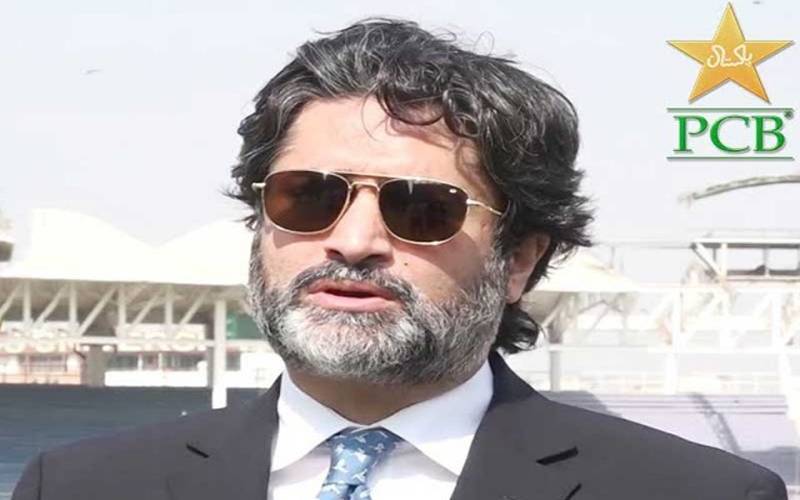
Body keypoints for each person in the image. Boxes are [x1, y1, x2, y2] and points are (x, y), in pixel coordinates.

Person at [12, 18, 787, 500]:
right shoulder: (80, 487)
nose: (354, 241)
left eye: (421, 209)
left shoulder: (697, 493)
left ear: (519, 259)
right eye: (309, 196)